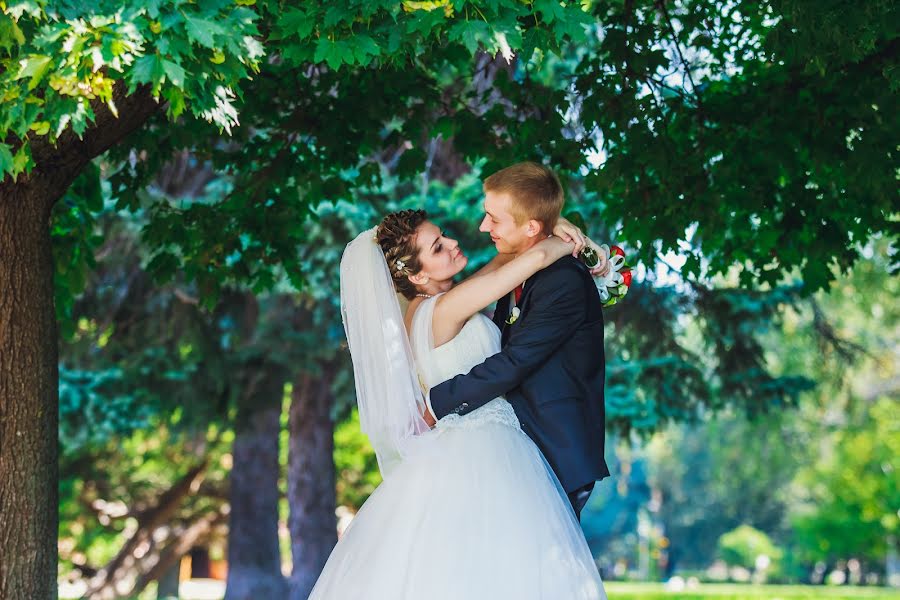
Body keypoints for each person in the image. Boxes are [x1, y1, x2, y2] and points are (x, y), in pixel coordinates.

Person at [309, 194, 608, 598]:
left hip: (463, 443)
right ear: (416, 276)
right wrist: (581, 249)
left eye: (444, 236)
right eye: (437, 247)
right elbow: (531, 261)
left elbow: (503, 263)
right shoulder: (446, 309)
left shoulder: (427, 310)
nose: (452, 244)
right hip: (487, 448)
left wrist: (553, 226)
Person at [426, 162, 610, 520]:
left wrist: (434, 405)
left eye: (494, 219)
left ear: (530, 227)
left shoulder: (563, 281)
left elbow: (515, 361)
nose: (483, 226)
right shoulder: (523, 266)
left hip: (556, 450)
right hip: (523, 447)